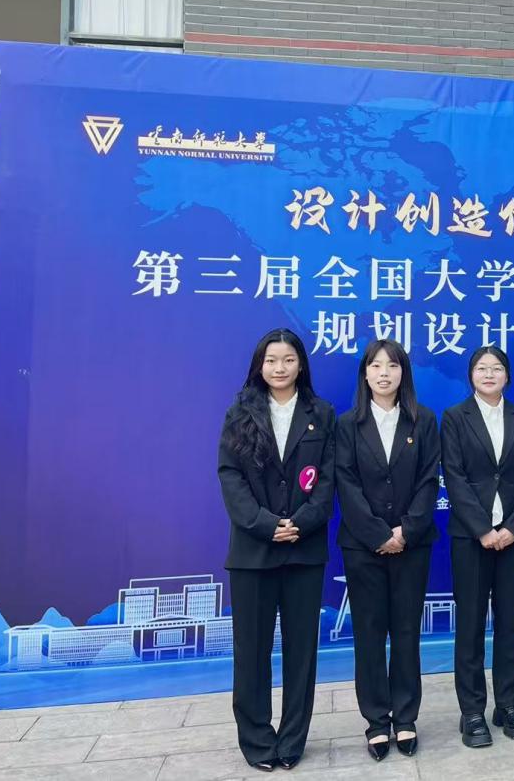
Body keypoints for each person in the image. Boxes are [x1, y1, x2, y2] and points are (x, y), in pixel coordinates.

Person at [217, 328, 335, 772]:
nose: (279, 368)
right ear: (259, 366)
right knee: (252, 652)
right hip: (254, 552)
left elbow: (328, 480)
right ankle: (257, 742)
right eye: (271, 360)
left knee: (301, 653)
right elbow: (230, 476)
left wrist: (300, 523)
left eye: (288, 360)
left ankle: (291, 741)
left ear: (300, 364)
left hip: (305, 550)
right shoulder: (239, 413)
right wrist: (268, 526)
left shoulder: (321, 414)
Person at [334, 339, 440, 761]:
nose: (384, 373)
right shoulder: (347, 424)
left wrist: (406, 531)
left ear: (403, 374)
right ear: (365, 374)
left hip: (413, 545)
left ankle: (406, 716)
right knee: (369, 633)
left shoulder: (423, 420)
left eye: (392, 366)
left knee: (407, 632)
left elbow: (429, 480)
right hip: (363, 547)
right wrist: (378, 533)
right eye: (376, 366)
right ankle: (377, 721)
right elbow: (346, 483)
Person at [441, 346, 514, 748]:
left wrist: (513, 527)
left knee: (510, 624)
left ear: (507, 376)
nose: (488, 374)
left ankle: (508, 705)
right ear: (471, 376)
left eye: (496, 368)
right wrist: (483, 529)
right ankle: (471, 711)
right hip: (471, 538)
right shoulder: (454, 417)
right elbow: (454, 476)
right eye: (481, 368)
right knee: (470, 625)